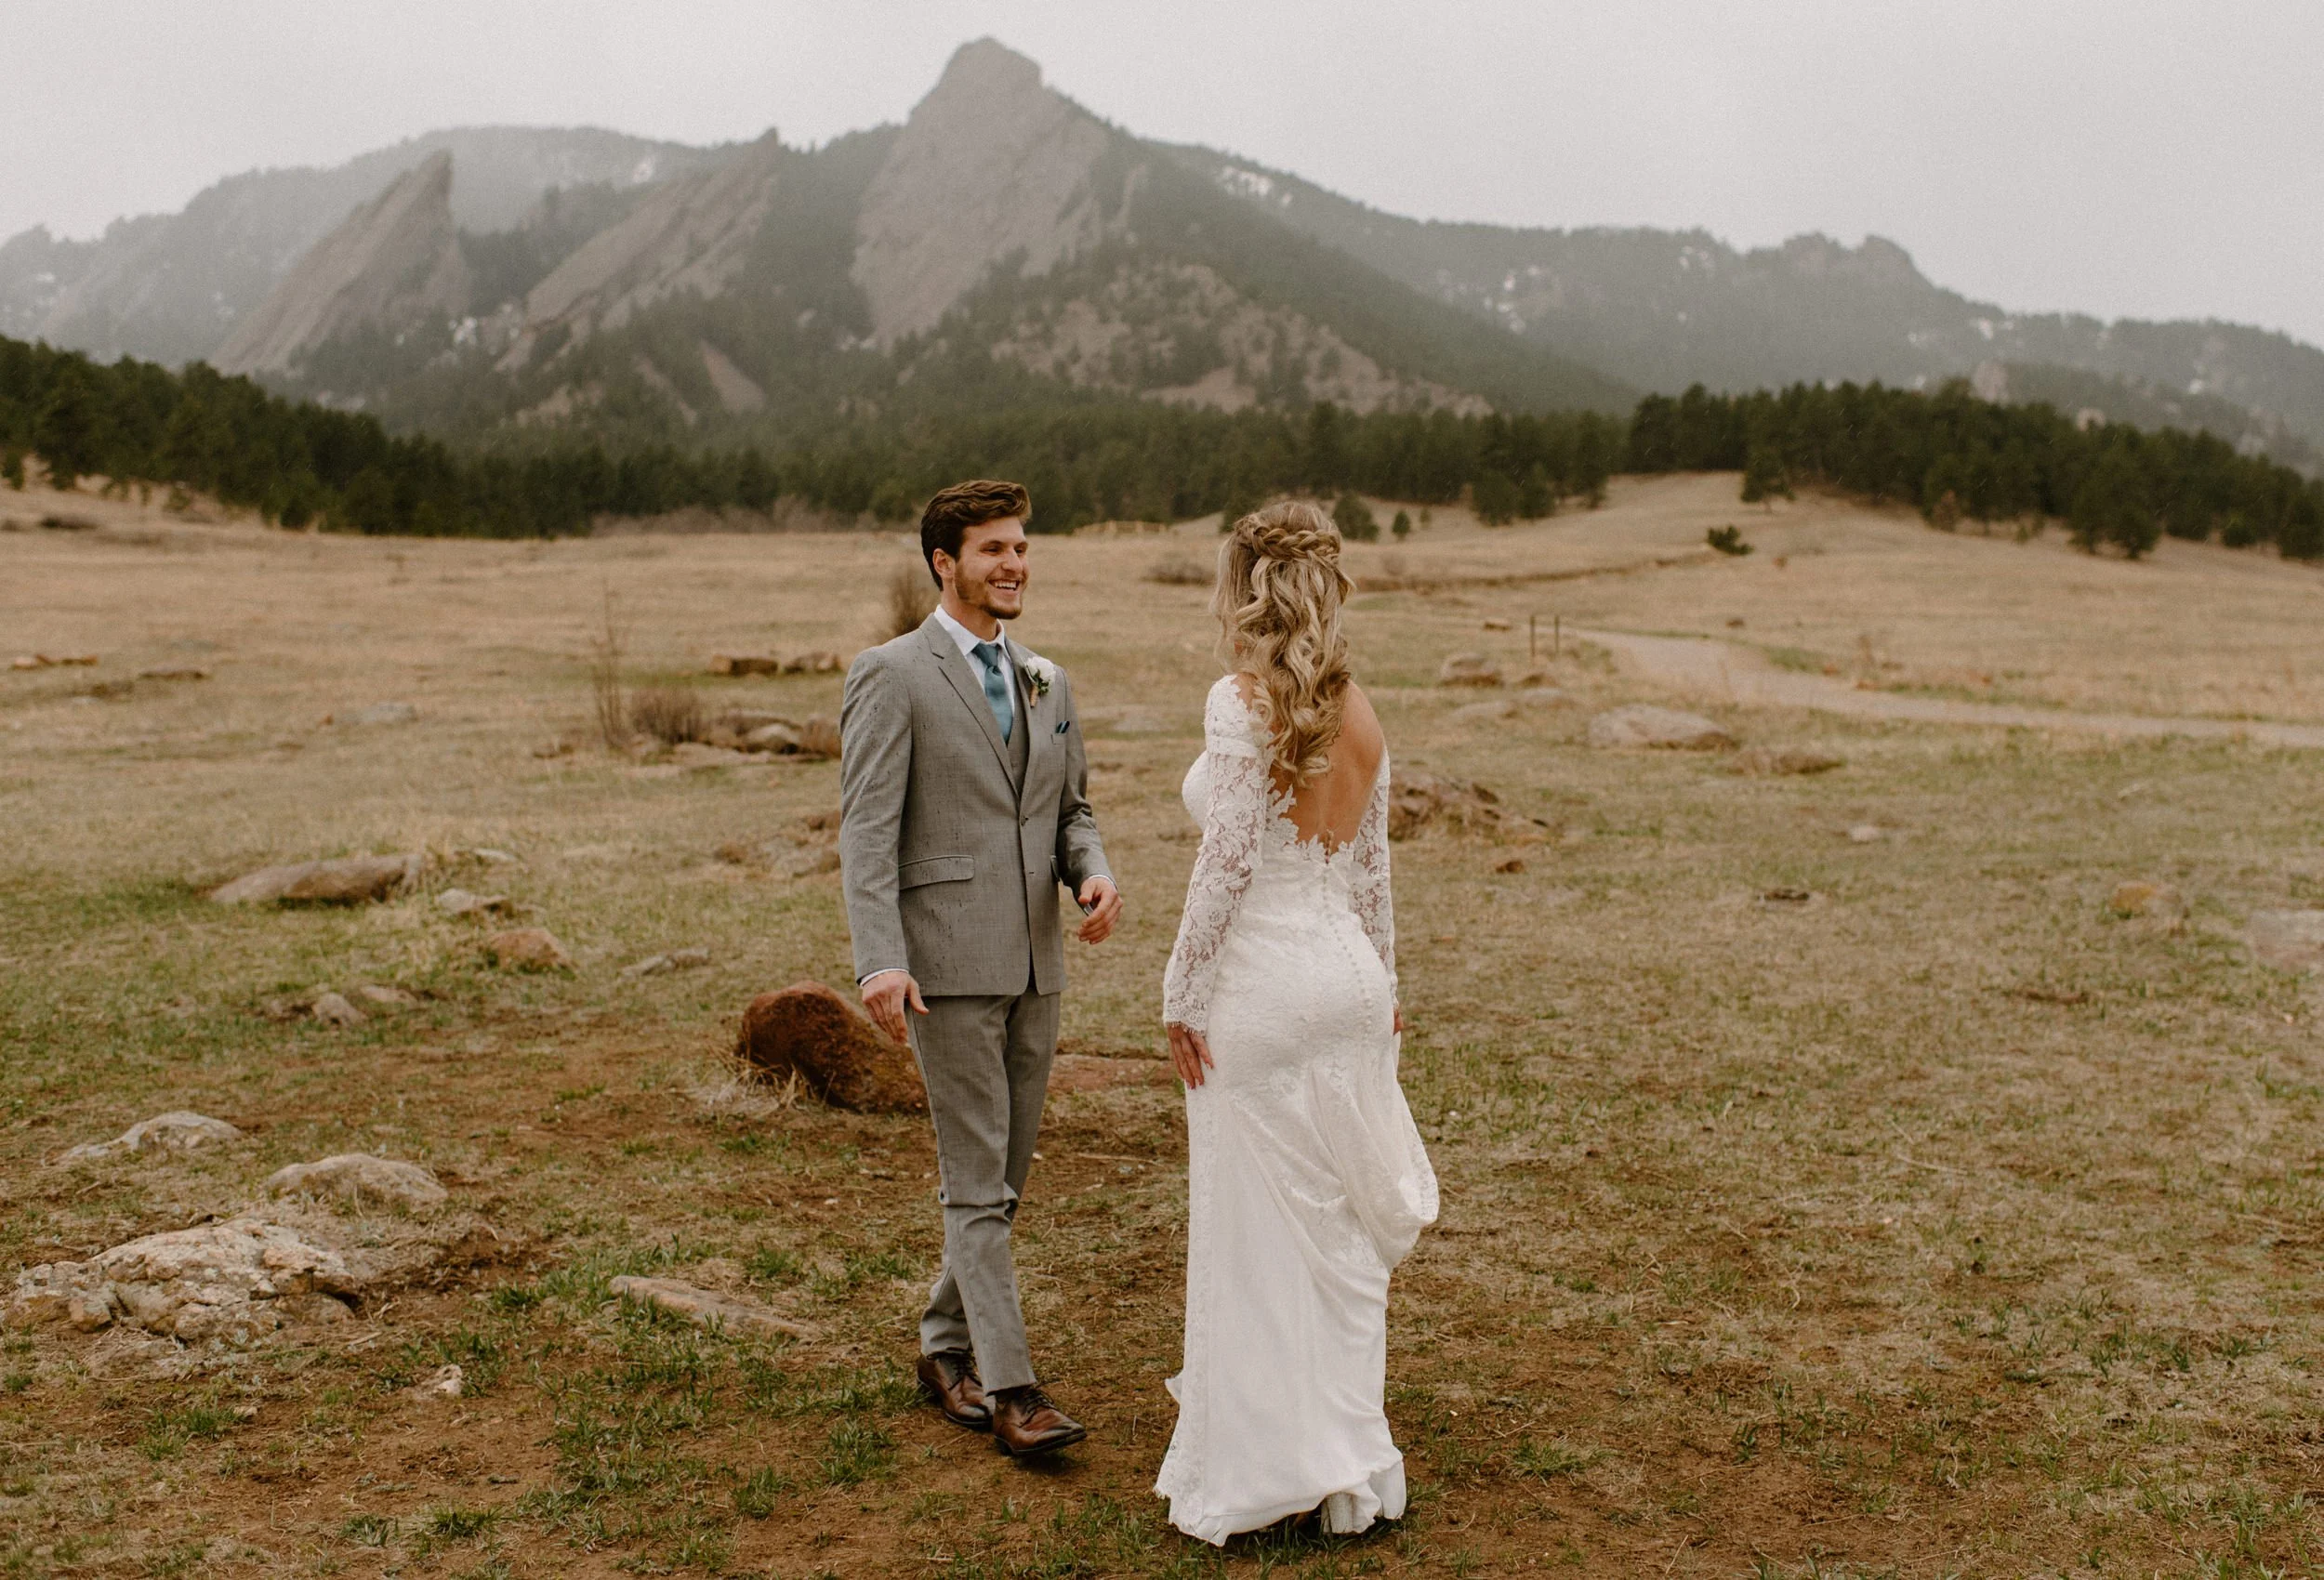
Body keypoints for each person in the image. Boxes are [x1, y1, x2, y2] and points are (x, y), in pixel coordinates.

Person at [1155, 499, 1439, 1542]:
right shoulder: (1361, 712)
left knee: (1255, 1228)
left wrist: (1179, 992)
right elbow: (1371, 870)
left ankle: (1268, 1472)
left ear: (1244, 585)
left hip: (1264, 990)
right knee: (1340, 1234)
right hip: (1350, 984)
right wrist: (1388, 985)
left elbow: (1225, 859)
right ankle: (1347, 1466)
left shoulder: (1241, 702)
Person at [838, 478, 1122, 1456]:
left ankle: (940, 1344)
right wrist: (878, 958)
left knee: (1003, 1177)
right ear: (943, 563)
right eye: (993, 549)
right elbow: (868, 827)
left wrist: (1091, 875)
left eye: (1021, 547)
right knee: (974, 1181)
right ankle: (1014, 1388)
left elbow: (1070, 810)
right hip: (943, 965)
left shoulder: (1048, 678)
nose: (1014, 564)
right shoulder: (891, 673)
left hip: (1038, 962)